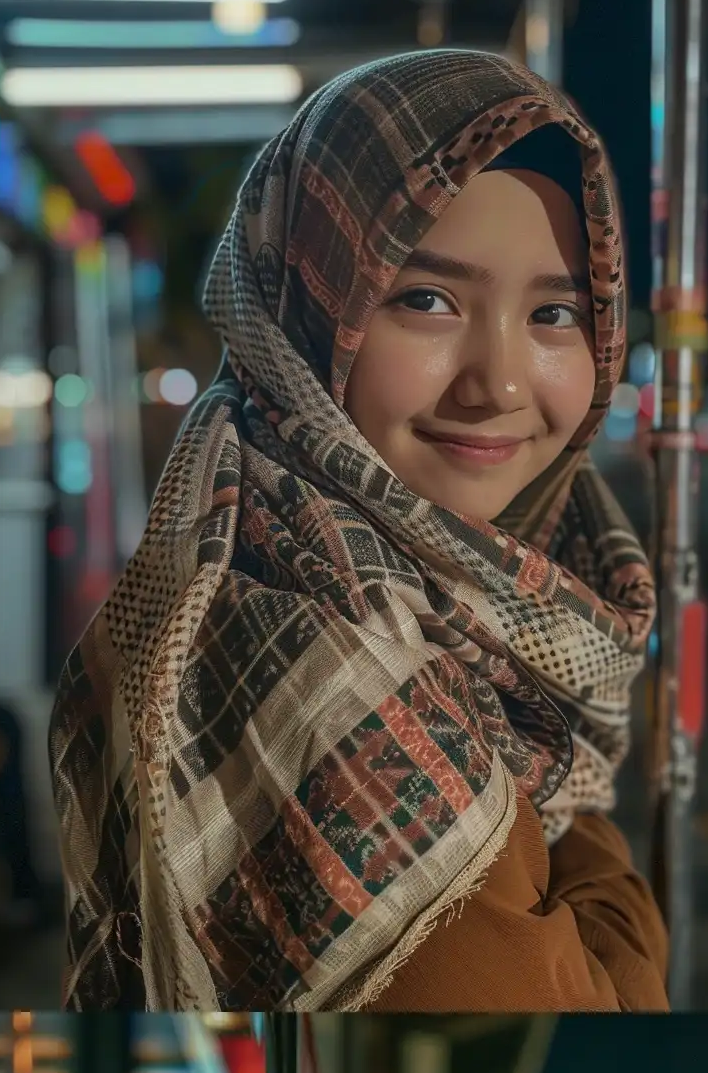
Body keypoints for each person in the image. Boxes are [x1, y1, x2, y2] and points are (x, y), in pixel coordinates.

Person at [52, 50, 668, 1014]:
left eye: (556, 313)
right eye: (425, 300)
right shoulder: (322, 671)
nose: (499, 383)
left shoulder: (441, 592)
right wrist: (596, 854)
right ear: (305, 309)